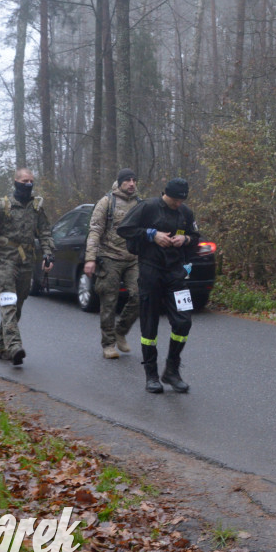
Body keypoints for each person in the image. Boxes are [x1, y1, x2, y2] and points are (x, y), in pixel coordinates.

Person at [116, 178, 200, 393]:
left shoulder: (186, 212)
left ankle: (172, 370)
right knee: (149, 324)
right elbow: (124, 229)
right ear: (166, 194)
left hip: (177, 273)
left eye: (182, 200)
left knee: (184, 322)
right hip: (151, 271)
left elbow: (196, 236)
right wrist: (151, 235)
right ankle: (151, 375)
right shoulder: (148, 207)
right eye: (175, 200)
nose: (178, 204)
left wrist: (187, 240)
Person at [0, 168, 54, 365]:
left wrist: (48, 253)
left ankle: (0, 346)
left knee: (18, 304)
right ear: (15, 181)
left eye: (31, 180)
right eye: (24, 180)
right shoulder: (2, 207)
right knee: (8, 302)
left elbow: (45, 232)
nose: (28, 184)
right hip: (5, 260)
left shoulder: (37, 207)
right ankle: (14, 346)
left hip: (26, 262)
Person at [84, 168, 141, 359]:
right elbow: (95, 230)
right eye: (128, 180)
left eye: (134, 180)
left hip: (133, 258)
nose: (132, 183)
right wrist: (90, 258)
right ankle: (108, 344)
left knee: (139, 296)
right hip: (109, 257)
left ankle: (121, 331)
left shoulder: (140, 204)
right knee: (109, 301)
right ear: (120, 182)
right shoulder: (107, 202)